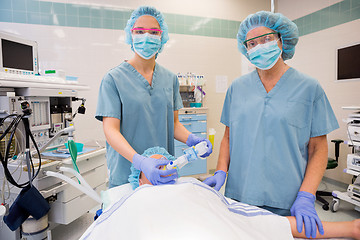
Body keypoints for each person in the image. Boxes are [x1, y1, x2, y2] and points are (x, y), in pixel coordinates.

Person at [203, 11, 339, 239]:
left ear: (281, 39)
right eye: (252, 43)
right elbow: (228, 137)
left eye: (265, 39)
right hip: (241, 195)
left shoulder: (309, 88)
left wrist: (306, 195)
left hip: (288, 198)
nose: (258, 47)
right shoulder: (237, 88)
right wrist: (220, 171)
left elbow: (318, 149)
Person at [81, 148, 360, 240]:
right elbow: (107, 224)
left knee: (259, 223)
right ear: (139, 175)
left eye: (166, 163)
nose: (162, 168)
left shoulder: (190, 186)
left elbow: (250, 219)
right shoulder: (133, 196)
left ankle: (350, 228)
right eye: (154, 165)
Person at [95, 6, 212, 189]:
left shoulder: (169, 78)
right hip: (127, 172)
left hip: (162, 169)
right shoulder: (113, 79)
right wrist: (140, 162)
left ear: (162, 37)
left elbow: (173, 124)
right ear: (130, 36)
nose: (146, 36)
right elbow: (111, 131)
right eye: (140, 31)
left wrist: (193, 140)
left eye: (153, 32)